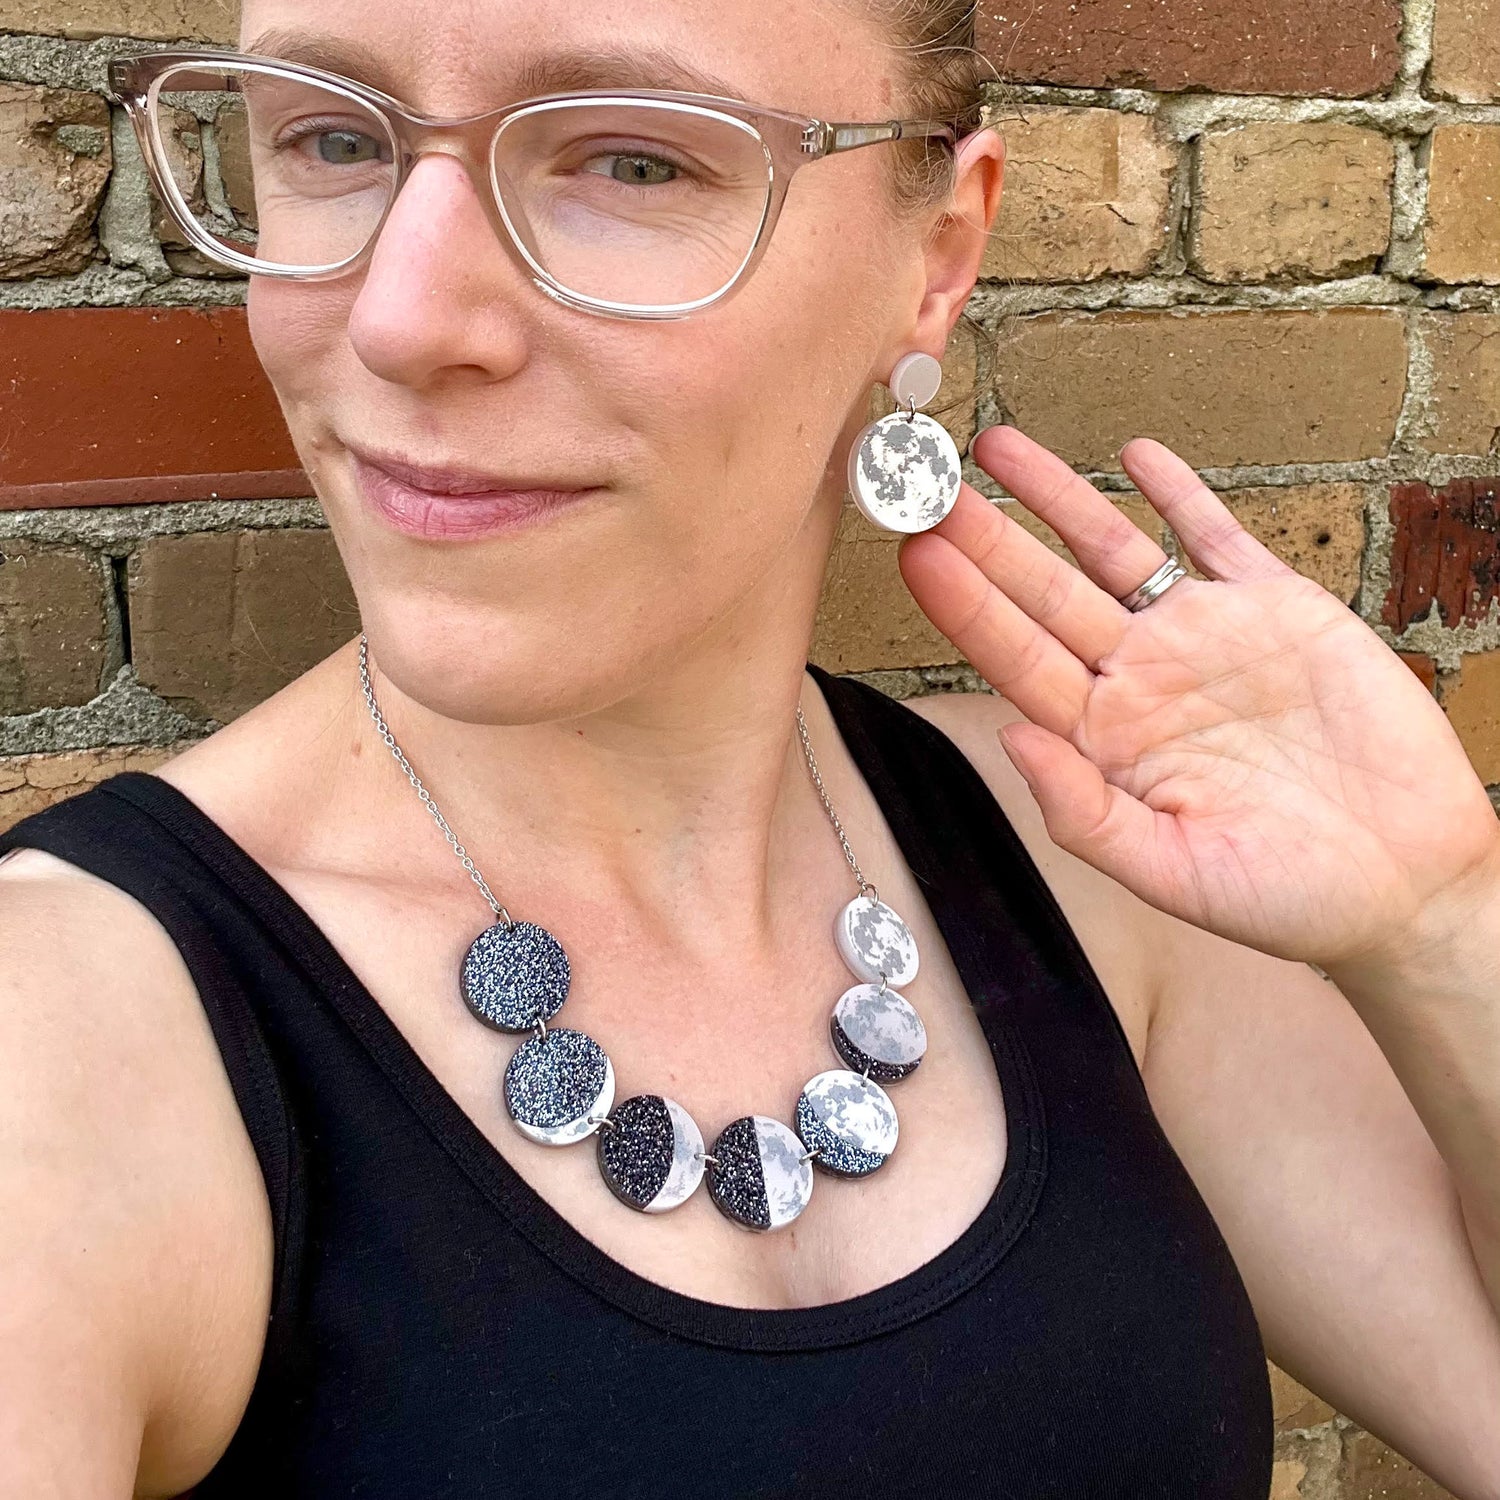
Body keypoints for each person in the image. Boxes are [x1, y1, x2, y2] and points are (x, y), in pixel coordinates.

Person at [2, 1, 1499, 1496]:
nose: (402, 317)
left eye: (635, 162)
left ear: (934, 261)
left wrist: (1436, 926)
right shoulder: (67, 1048)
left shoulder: (1082, 854)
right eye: (331, 137)